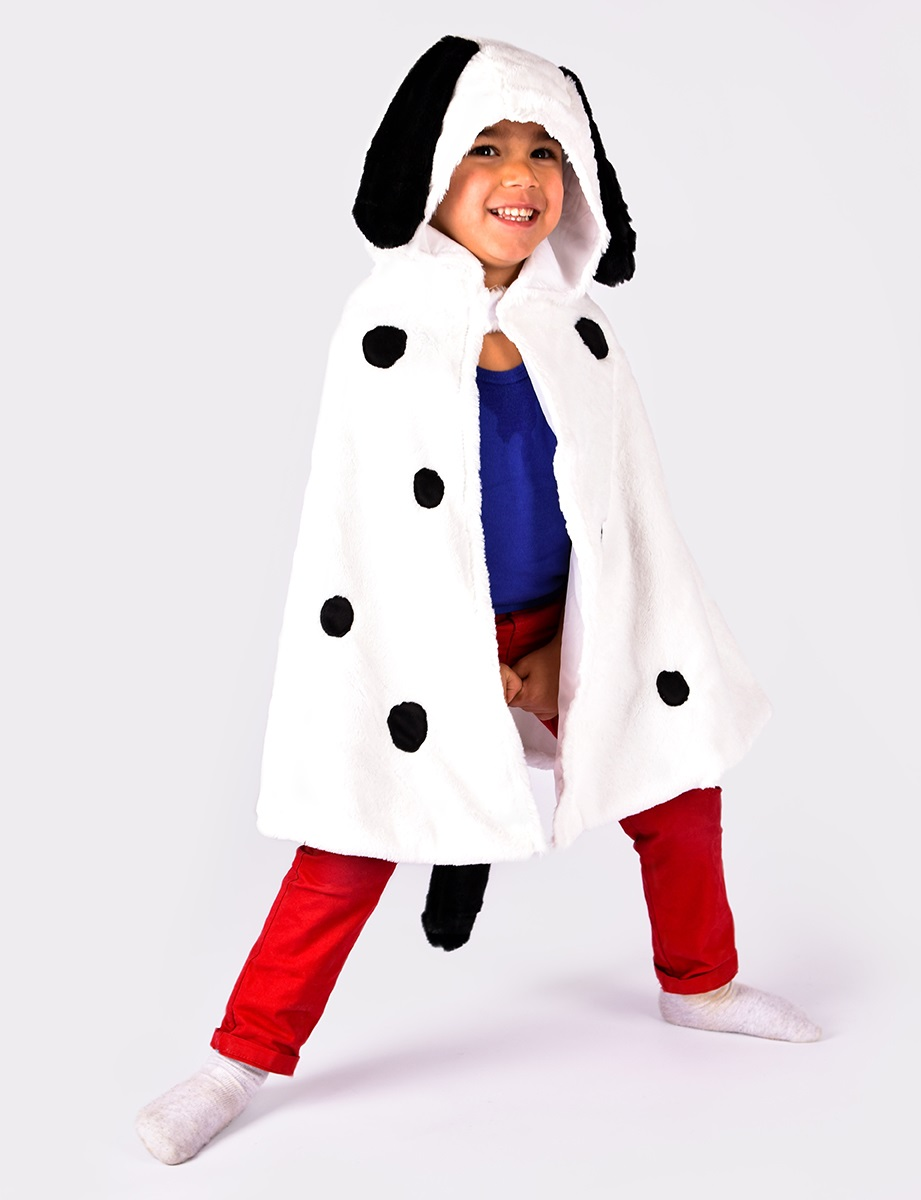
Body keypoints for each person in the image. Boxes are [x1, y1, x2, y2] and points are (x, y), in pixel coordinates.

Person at [136, 36, 819, 1167]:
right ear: (433, 164)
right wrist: (460, 663)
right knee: (352, 843)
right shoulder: (385, 326)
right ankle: (238, 1059)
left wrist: (572, 649)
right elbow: (362, 535)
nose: (521, 177)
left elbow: (623, 511)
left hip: (569, 626)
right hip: (418, 645)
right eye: (488, 147)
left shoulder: (580, 329)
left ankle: (700, 982)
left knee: (675, 785)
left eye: (546, 151)